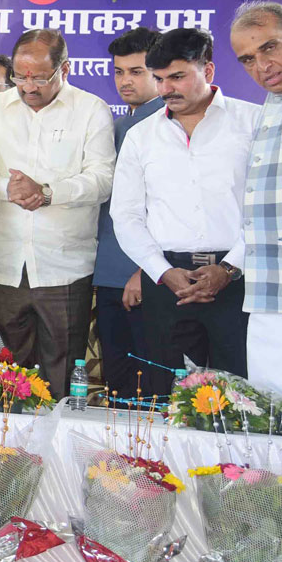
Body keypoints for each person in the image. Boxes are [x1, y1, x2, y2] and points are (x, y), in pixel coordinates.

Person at [111, 28, 257, 397]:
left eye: (177, 77)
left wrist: (229, 268)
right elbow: (125, 215)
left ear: (207, 71)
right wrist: (162, 272)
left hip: (240, 280)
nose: (165, 89)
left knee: (241, 398)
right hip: (167, 283)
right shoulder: (141, 136)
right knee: (169, 396)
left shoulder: (253, 123)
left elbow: (266, 209)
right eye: (159, 79)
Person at [0, 29, 115, 398]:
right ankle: (3, 451)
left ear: (64, 69)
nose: (28, 86)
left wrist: (48, 193)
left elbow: (103, 179)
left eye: (40, 77)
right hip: (1, 263)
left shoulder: (91, 110)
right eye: (20, 76)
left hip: (64, 267)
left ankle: (55, 454)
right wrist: (9, 188)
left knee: (62, 373)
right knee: (1, 376)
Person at [229, 1, 282, 416]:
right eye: (247, 59)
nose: (261, 66)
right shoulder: (276, 98)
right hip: (268, 286)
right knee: (278, 427)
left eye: (269, 48)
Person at [93, 27, 164, 399]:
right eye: (119, 71)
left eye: (137, 71)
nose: (126, 80)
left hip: (146, 276)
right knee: (118, 386)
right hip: (108, 274)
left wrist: (144, 270)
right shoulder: (117, 126)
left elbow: (165, 208)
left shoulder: (167, 126)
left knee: (150, 388)